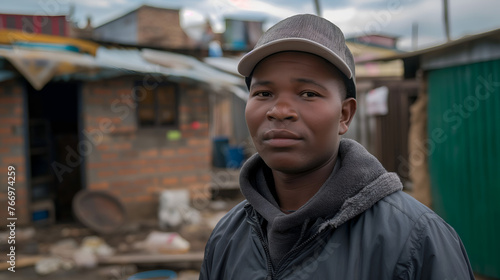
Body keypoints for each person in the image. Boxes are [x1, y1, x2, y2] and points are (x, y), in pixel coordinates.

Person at [199, 14, 474, 280]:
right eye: (263, 93)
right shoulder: (227, 236)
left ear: (344, 115)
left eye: (308, 94)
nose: (280, 111)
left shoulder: (416, 240)